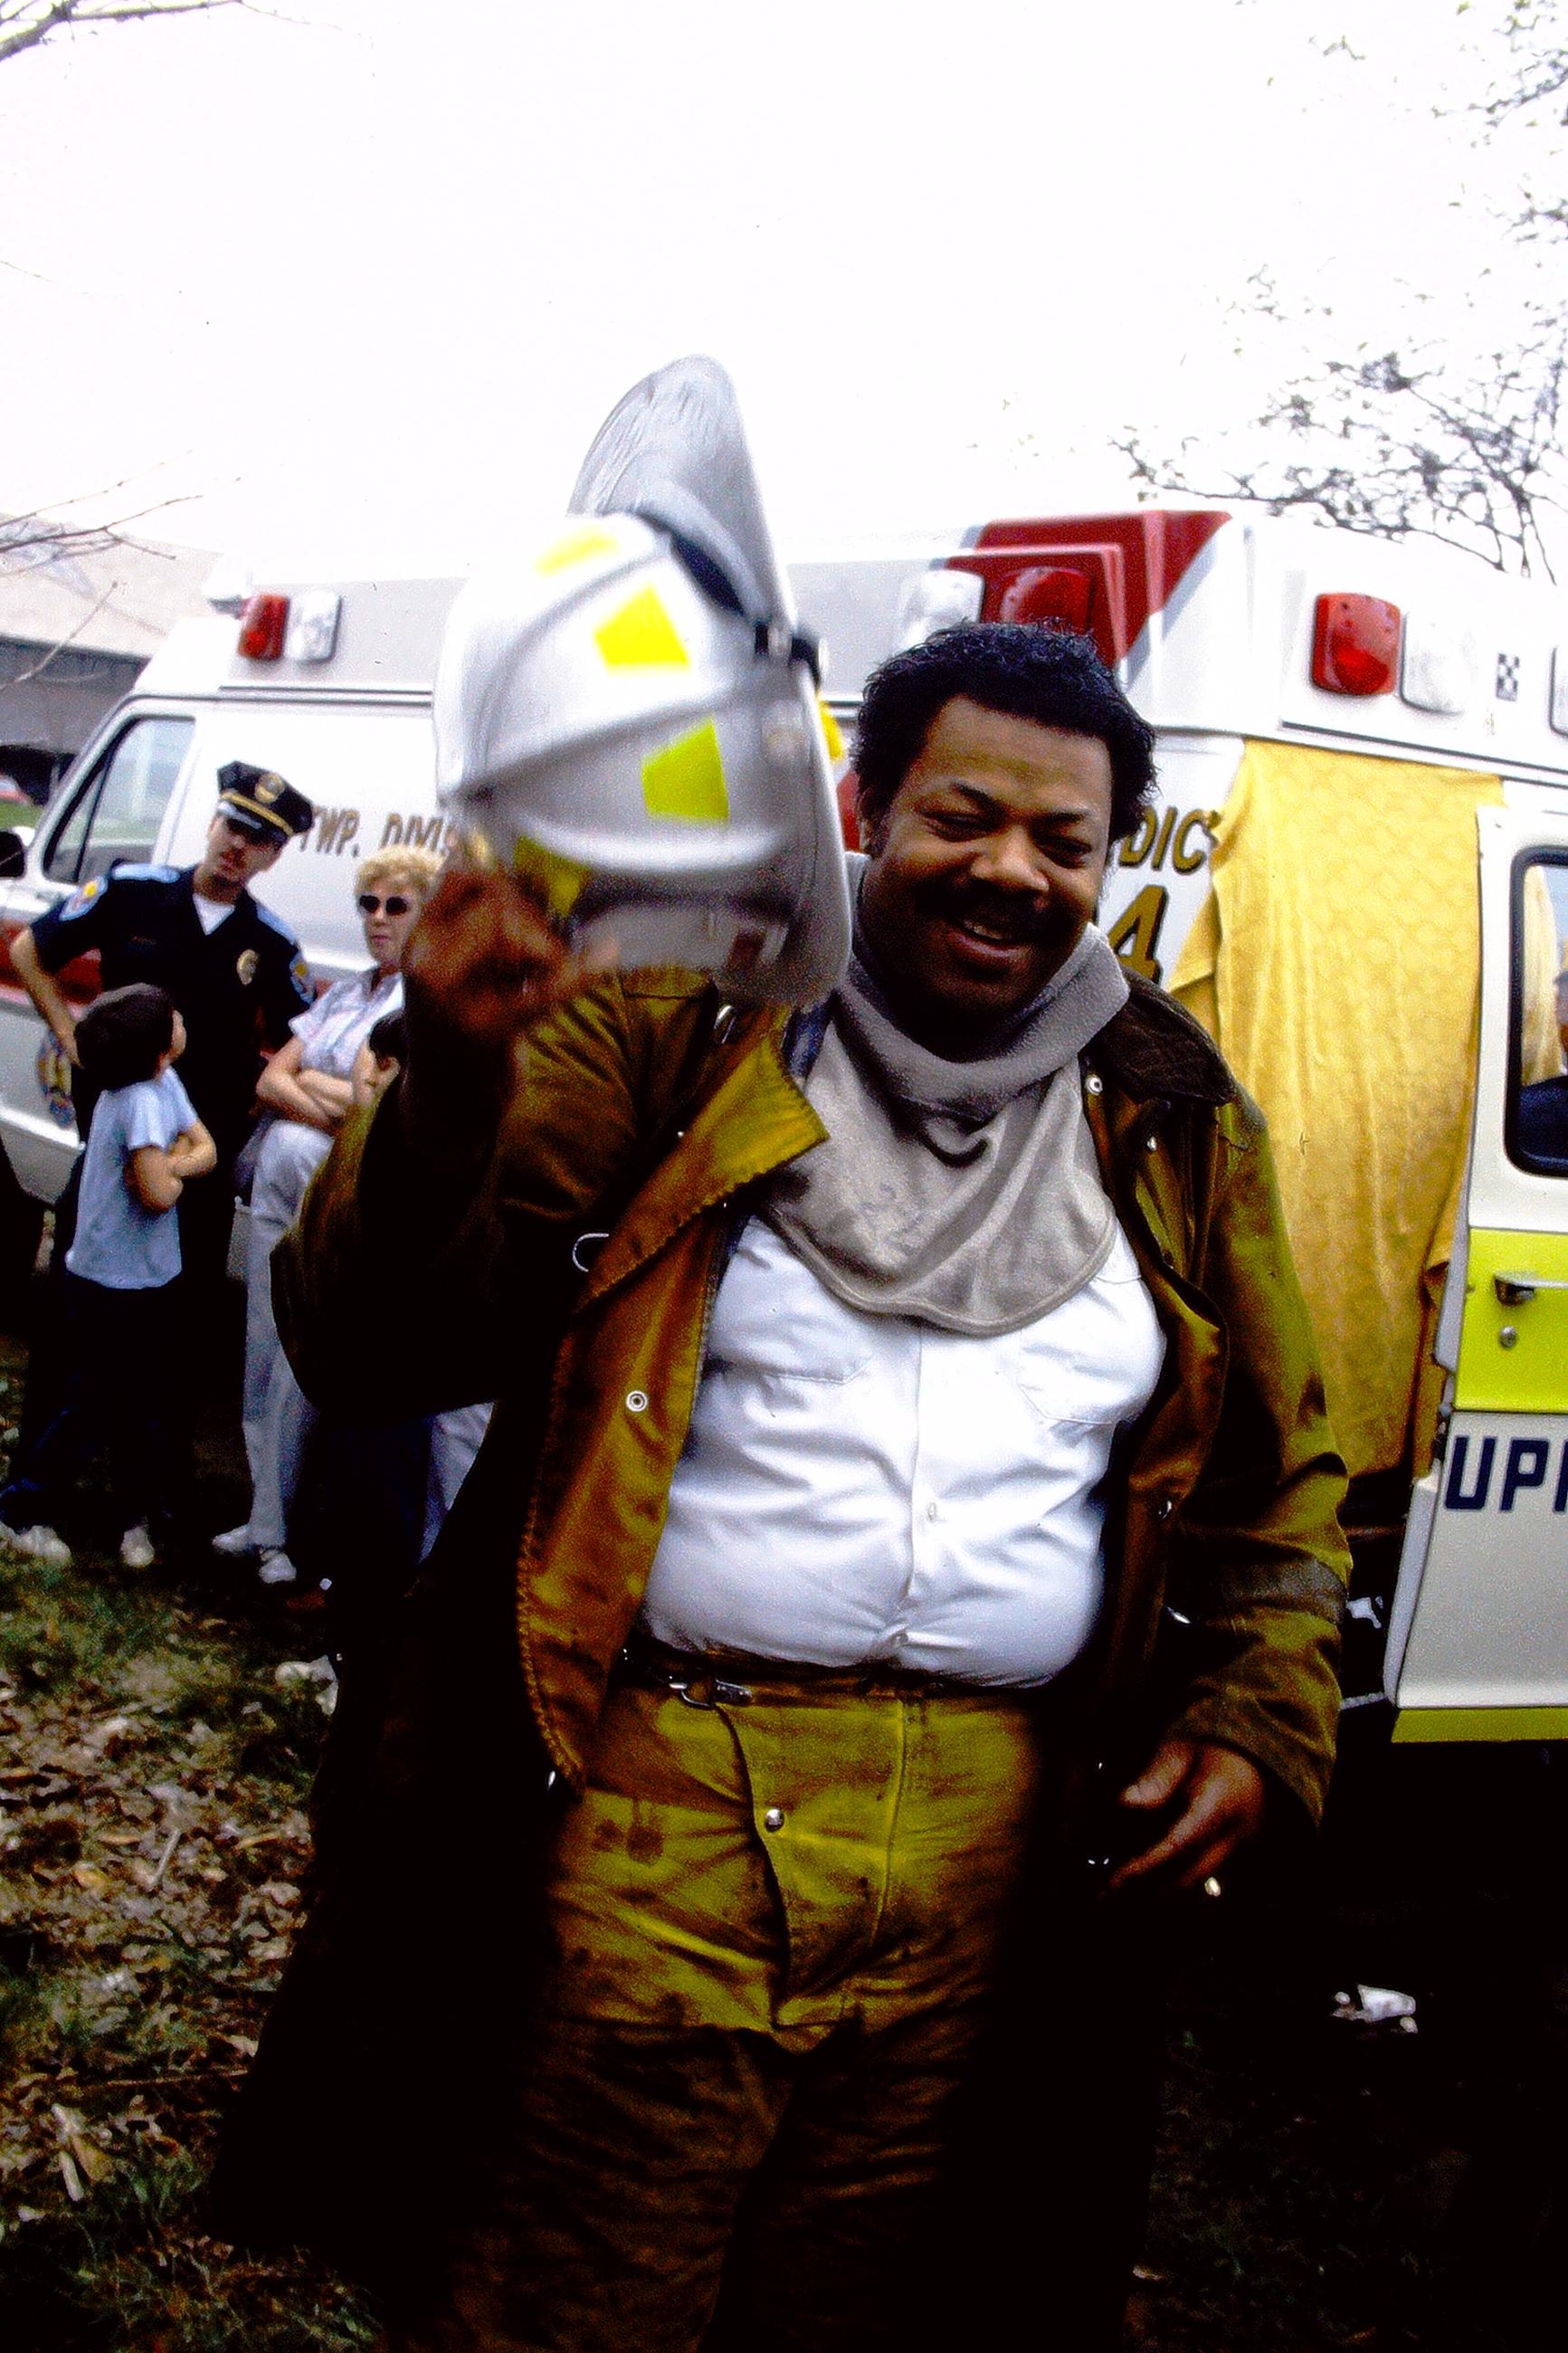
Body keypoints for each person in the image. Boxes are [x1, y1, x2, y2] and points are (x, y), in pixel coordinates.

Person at [215, 622, 1350, 2349]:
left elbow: (1277, 1472)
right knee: (570, 2301)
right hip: (651, 1807)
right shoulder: (679, 1024)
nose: (1014, 871)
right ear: (861, 806)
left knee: (874, 2311)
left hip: (998, 1851)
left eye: (1067, 841)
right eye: (963, 815)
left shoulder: (1168, 1108)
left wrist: (1265, 1706)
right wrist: (448, 1081)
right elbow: (371, 1344)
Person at [10, 764, 316, 1505]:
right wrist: (66, 1029)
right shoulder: (132, 891)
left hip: (198, 1167)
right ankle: (38, 1472)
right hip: (111, 1149)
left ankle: (148, 1492)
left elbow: (298, 1035)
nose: (237, 848)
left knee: (178, 1329)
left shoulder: (269, 943)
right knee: (76, 1314)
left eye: (259, 841)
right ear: (212, 825)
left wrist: (260, 1095)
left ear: (274, 857)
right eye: (232, 827)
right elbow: (28, 952)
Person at [214, 847, 442, 1586]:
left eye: (396, 906)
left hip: (338, 1208)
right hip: (277, 1199)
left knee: (309, 1361)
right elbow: (273, 1072)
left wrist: (310, 1094)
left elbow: (397, 1106)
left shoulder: (429, 1001)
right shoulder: (349, 993)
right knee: (260, 1343)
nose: (378, 919)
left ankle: (291, 1534)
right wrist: (327, 1099)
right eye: (368, 904)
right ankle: (260, 1513)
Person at [0, 984, 214, 1569]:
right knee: (96, 1404)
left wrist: (171, 1159)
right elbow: (159, 1193)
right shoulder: (142, 1100)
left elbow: (207, 1148)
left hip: (147, 1275)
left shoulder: (161, 1082)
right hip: (112, 1284)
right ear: (159, 1049)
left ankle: (131, 1515)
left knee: (141, 1401)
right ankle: (20, 1510)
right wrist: (174, 1163)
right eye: (173, 1018)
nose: (181, 1018)